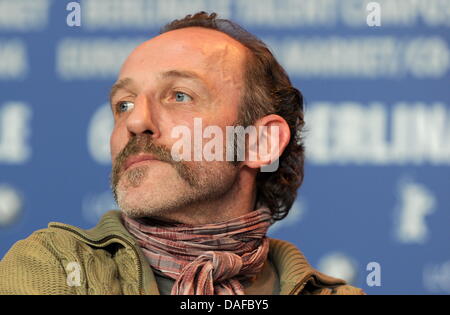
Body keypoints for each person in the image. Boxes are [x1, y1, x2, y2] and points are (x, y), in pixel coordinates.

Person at [0, 12, 365, 295]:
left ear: (259, 143)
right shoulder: (54, 268)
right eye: (123, 105)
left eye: (179, 96)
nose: (136, 121)